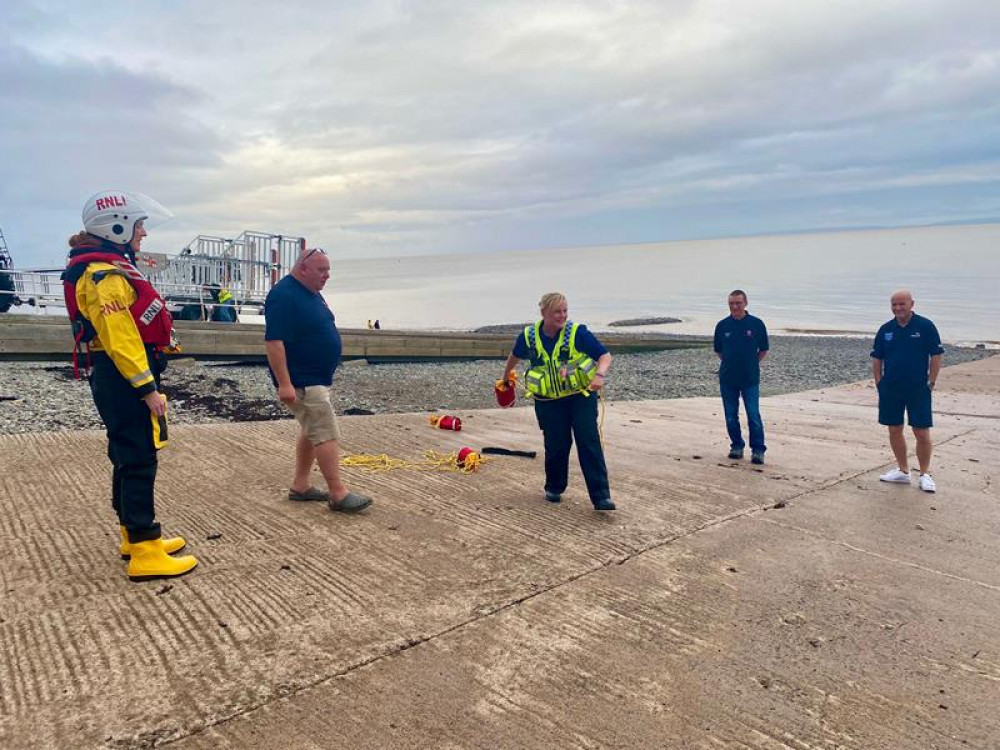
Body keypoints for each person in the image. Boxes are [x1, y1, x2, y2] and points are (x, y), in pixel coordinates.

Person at [61, 190, 198, 581]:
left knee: (126, 452)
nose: (144, 234)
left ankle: (134, 535)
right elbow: (121, 339)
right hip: (122, 376)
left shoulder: (103, 267)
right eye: (140, 226)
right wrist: (147, 389)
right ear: (116, 226)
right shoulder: (105, 276)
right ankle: (145, 550)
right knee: (138, 458)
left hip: (113, 374)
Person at [264, 247, 373, 513]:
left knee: (311, 430)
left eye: (328, 270)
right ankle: (337, 493)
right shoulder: (283, 295)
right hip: (302, 380)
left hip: (315, 378)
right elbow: (274, 342)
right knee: (325, 432)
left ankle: (300, 485)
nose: (327, 276)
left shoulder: (310, 292)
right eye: (321, 270)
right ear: (303, 268)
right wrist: (285, 383)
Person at [501, 292, 615, 511]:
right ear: (544, 312)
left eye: (565, 311)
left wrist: (600, 375)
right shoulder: (528, 336)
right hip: (548, 401)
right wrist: (506, 377)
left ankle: (601, 497)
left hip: (580, 396)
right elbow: (515, 355)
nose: (562, 316)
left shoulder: (577, 334)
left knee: (588, 441)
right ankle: (554, 488)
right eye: (557, 312)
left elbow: (604, 356)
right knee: (556, 444)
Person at [872, 289, 943, 492]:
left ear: (912, 304)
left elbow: (936, 355)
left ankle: (925, 474)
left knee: (921, 431)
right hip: (891, 388)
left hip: (918, 388)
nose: (898, 308)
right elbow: (877, 357)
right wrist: (879, 383)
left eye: (902, 304)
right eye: (894, 304)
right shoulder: (886, 329)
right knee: (894, 429)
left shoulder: (925, 326)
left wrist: (931, 382)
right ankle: (903, 471)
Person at [713, 289, 769, 464]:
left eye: (738, 303)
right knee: (731, 415)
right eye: (731, 304)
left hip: (750, 378)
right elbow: (719, 351)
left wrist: (750, 364)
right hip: (728, 378)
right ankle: (736, 446)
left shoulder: (757, 324)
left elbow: (764, 350)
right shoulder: (722, 326)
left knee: (753, 415)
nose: (735, 307)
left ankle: (758, 450)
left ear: (745, 303)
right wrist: (732, 363)